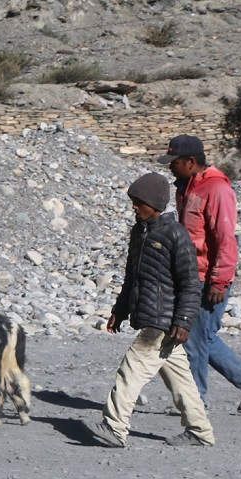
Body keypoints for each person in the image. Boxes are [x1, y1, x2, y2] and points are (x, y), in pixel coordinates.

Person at [87, 172, 215, 448]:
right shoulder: (140, 232)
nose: (134, 207)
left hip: (164, 322)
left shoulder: (175, 234)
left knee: (130, 370)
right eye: (132, 202)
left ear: (155, 203)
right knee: (179, 378)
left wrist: (183, 320)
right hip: (152, 317)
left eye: (138, 203)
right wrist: (119, 310)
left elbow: (191, 284)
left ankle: (115, 427)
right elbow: (131, 276)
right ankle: (200, 431)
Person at [158, 135, 241, 413]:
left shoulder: (216, 189)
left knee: (194, 339)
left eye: (175, 163)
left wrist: (219, 280)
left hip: (208, 278)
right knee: (203, 337)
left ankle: (196, 403)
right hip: (191, 275)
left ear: (191, 162)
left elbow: (225, 239)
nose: (170, 168)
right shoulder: (186, 188)